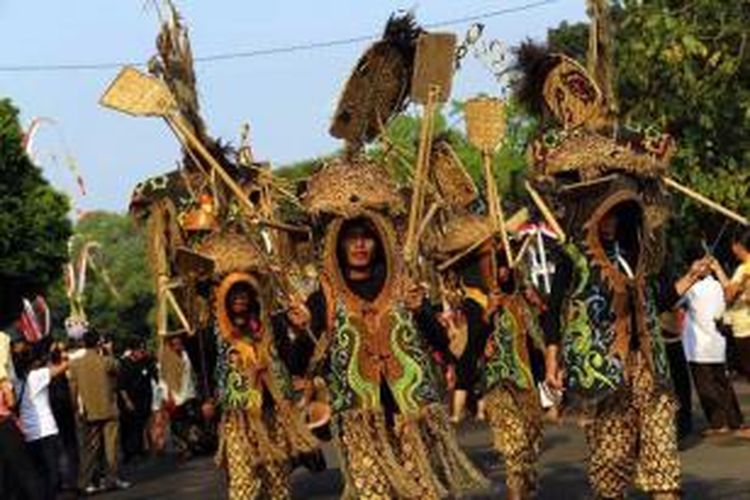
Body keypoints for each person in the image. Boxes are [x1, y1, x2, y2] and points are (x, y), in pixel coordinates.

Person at [287, 178, 489, 499]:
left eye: (366, 238)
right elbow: (298, 365)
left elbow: (440, 344)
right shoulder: (323, 297)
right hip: (360, 421)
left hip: (409, 414)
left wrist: (421, 310)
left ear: (378, 241)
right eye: (351, 239)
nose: (360, 245)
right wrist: (301, 331)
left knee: (422, 493)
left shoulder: (400, 285)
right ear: (338, 244)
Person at [436, 216, 545, 500]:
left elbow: (537, 337)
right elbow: (471, 350)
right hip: (499, 387)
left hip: (528, 386)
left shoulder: (519, 295)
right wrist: (487, 316)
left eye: (502, 259)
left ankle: (524, 489)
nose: (502, 268)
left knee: (529, 449)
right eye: (494, 261)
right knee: (513, 448)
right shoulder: (475, 303)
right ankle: (515, 492)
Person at [213, 273, 319, 500]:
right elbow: (208, 370)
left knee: (277, 480)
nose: (239, 297)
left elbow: (293, 362)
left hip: (273, 413)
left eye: (244, 291)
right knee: (244, 481)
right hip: (239, 417)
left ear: (253, 295)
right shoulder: (215, 331)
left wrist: (300, 331)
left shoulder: (272, 325)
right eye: (233, 292)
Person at [679, 256, 750, 438]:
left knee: (705, 386)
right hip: (717, 342)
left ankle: (719, 423)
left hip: (699, 346)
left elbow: (674, 301)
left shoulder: (692, 288)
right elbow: (729, 295)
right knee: (723, 384)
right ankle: (735, 420)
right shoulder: (718, 285)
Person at [69, 330, 129, 493]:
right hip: (108, 409)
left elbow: (73, 391)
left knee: (89, 449)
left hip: (87, 411)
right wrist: (109, 351)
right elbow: (118, 368)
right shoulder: (106, 362)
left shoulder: (75, 364)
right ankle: (112, 479)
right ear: (98, 344)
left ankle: (85, 483)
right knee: (111, 447)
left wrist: (75, 409)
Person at [14, 340, 68, 500]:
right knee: (52, 473)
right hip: (46, 430)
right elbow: (64, 366)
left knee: (39, 473)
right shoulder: (38, 376)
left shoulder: (16, 382)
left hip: (28, 434)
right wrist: (58, 352)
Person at [0, 352, 42, 500]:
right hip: (5, 426)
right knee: (24, 469)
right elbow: (11, 402)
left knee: (5, 476)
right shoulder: (2, 378)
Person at [715, 230, 750, 380]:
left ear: (738, 246)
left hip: (745, 329)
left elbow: (729, 295)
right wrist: (717, 269)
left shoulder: (744, 269)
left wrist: (741, 284)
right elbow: (731, 289)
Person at [48, 341, 80, 494]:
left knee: (67, 446)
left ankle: (70, 480)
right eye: (61, 351)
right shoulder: (51, 372)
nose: (64, 353)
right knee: (65, 447)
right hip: (60, 412)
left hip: (62, 412)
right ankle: (69, 481)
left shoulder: (51, 370)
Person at [118, 339, 156, 463]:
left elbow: (152, 374)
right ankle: (128, 453)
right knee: (128, 427)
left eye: (143, 350)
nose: (142, 352)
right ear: (133, 351)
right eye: (139, 350)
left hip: (143, 399)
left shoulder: (146, 362)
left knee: (139, 426)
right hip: (130, 399)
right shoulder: (125, 364)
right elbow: (121, 386)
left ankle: (139, 450)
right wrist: (127, 401)